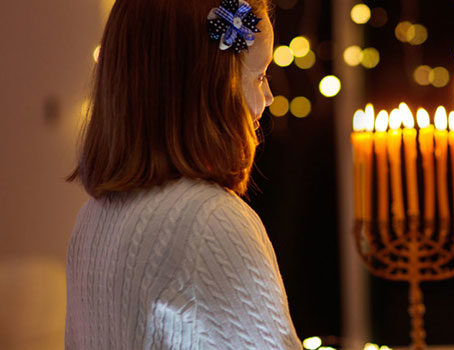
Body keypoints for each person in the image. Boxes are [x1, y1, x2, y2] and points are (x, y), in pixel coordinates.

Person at [64, 0, 302, 348]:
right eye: (260, 75)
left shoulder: (91, 221)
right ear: (209, 85)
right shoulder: (212, 221)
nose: (267, 97)